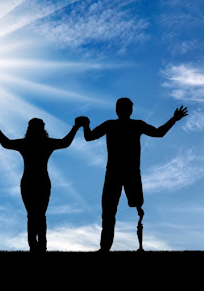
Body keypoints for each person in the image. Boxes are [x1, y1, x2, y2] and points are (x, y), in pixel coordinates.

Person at [80, 98, 188, 252]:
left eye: (125, 108)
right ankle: (106, 247)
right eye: (124, 108)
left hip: (122, 172)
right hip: (121, 172)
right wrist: (173, 120)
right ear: (126, 110)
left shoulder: (122, 125)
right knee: (113, 210)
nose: (124, 110)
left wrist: (85, 125)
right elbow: (159, 133)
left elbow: (89, 136)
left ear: (121, 110)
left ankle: (109, 247)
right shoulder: (125, 125)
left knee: (117, 210)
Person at [0, 116, 84, 253]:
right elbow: (65, 142)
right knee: (38, 214)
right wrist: (76, 127)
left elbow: (6, 143)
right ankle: (38, 246)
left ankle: (36, 245)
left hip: (31, 181)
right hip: (39, 181)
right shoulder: (45, 143)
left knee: (33, 214)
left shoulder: (27, 143)